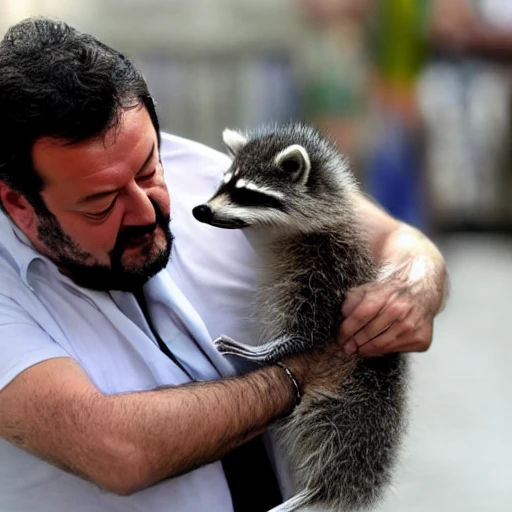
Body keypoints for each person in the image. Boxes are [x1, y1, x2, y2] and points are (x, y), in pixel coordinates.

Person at [0, 18, 447, 512]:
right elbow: (117, 451)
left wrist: (413, 286)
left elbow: (397, 239)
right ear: (19, 204)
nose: (147, 210)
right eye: (102, 202)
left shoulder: (203, 169)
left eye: (150, 168)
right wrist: (303, 373)